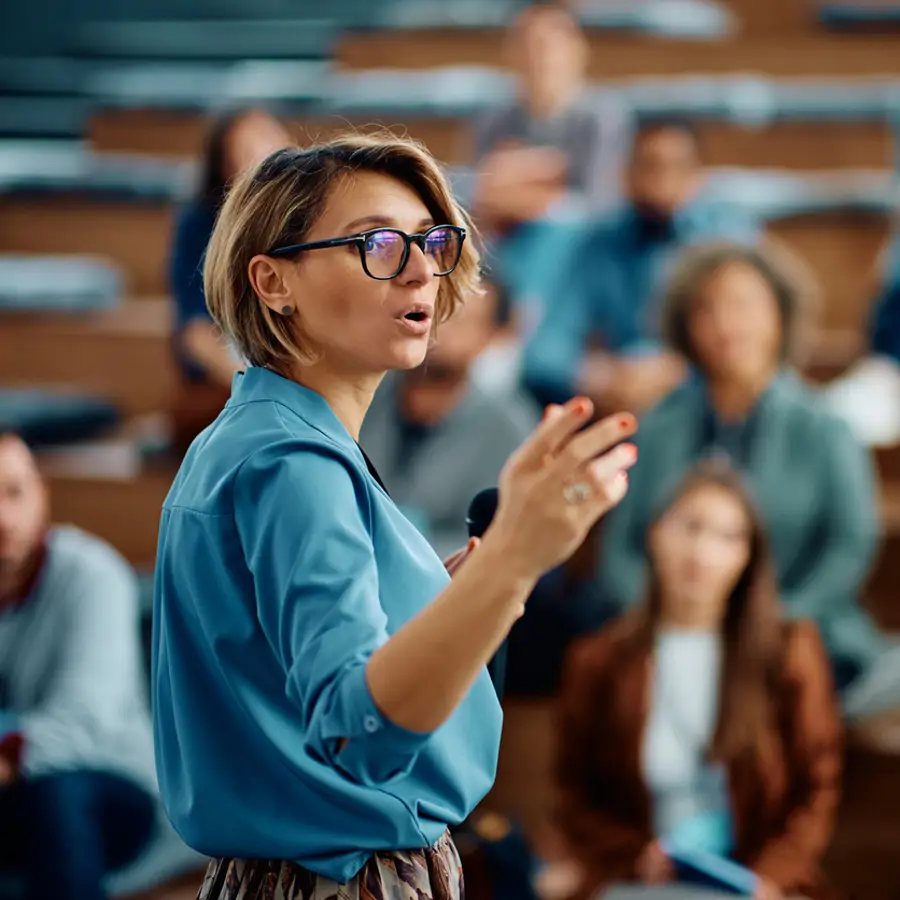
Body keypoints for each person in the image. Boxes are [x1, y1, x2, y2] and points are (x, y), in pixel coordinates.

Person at [151, 135, 639, 899]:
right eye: (377, 242)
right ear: (273, 280)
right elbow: (359, 732)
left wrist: (461, 591)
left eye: (432, 241)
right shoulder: (293, 464)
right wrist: (512, 559)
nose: (419, 269)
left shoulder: (262, 436)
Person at [600, 241, 883, 693]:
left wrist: (773, 622)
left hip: (791, 634)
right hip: (665, 638)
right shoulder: (658, 428)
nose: (725, 324)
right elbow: (620, 552)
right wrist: (668, 621)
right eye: (705, 310)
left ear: (780, 314)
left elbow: (849, 546)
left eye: (743, 305)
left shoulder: (826, 427)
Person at [557, 461, 842, 900]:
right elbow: (574, 796)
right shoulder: (600, 660)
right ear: (655, 533)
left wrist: (771, 879)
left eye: (728, 537)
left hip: (756, 881)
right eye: (690, 526)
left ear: (749, 555)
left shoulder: (787, 651)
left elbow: (815, 788)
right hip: (642, 880)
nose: (702, 551)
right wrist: (634, 857)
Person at [0, 432, 158, 900]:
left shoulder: (93, 575)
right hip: (14, 796)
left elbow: (83, 719)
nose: (3, 518)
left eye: (14, 493)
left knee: (58, 794)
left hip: (107, 783)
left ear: (42, 494)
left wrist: (6, 760)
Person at [521, 118, 760, 415]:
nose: (660, 181)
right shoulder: (598, 245)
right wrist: (594, 375)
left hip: (703, 402)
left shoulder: (725, 240)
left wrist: (675, 369)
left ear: (698, 176)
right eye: (648, 166)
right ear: (625, 174)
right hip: (616, 404)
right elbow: (545, 351)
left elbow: (749, 338)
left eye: (676, 167)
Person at [360, 278, 538, 558]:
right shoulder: (362, 392)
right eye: (433, 311)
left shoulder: (509, 427)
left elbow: (494, 542)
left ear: (491, 336)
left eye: (461, 320)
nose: (440, 330)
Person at [168, 107, 291, 454]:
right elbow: (195, 335)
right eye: (249, 151)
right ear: (225, 171)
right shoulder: (199, 225)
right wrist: (260, 387)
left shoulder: (309, 216)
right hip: (235, 381)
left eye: (272, 141)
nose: (268, 157)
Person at [471, 2, 632, 233]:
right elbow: (478, 194)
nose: (536, 59)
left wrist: (526, 194)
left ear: (578, 51)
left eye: (546, 47)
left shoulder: (604, 116)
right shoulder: (493, 118)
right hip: (506, 241)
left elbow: (601, 204)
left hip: (578, 247)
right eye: (524, 45)